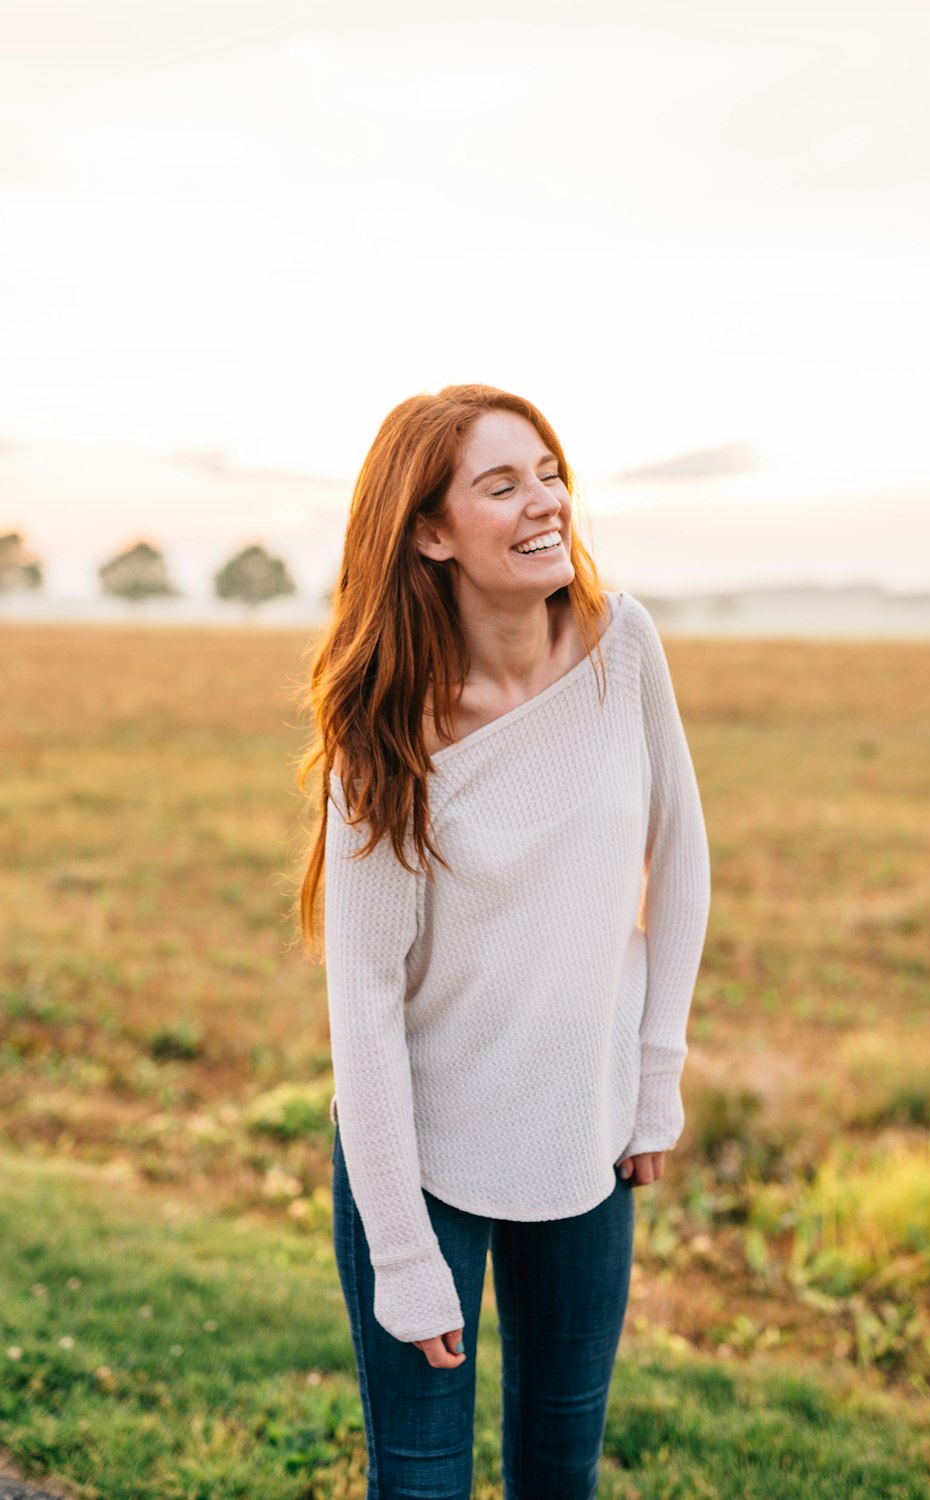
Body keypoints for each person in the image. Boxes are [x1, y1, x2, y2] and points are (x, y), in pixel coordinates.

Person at [296, 383, 711, 1499]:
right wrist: (399, 1249)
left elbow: (681, 861)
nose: (545, 503)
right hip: (421, 1156)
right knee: (421, 1483)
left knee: (558, 1469)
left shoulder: (623, 645)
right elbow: (366, 1002)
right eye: (500, 484)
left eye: (547, 471)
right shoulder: (383, 735)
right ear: (429, 533)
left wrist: (654, 1078)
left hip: (586, 1134)